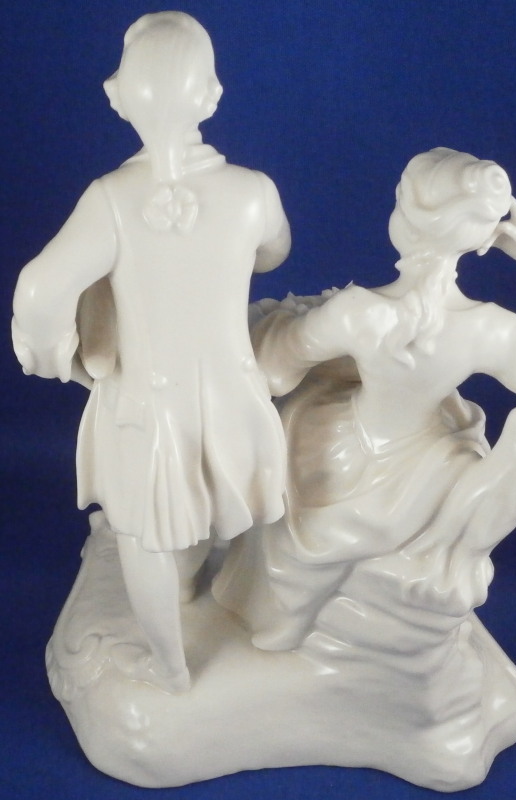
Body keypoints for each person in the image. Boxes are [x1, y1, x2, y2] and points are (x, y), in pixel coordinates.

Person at [213, 147, 516, 650]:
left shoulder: (357, 312)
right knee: (475, 457)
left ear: (401, 223)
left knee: (289, 460)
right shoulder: (486, 328)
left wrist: (276, 323)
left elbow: (273, 367)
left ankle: (286, 619)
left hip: (342, 454)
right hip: (429, 468)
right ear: (480, 239)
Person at [12, 12, 291, 692]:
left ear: (117, 97)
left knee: (144, 533)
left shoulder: (110, 201)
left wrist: (55, 353)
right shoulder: (253, 192)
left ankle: (171, 669)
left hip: (147, 401)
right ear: (212, 96)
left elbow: (40, 288)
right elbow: (273, 253)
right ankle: (206, 600)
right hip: (233, 392)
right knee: (218, 501)